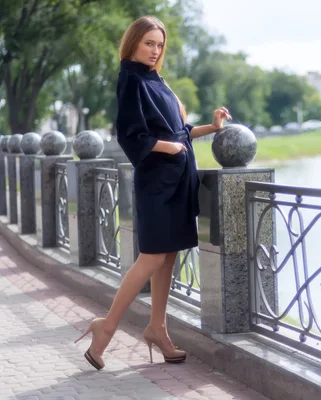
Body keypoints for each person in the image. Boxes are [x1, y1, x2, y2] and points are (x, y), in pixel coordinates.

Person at [74, 15, 231, 370]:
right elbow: (131, 136)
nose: (155, 50)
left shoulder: (155, 78)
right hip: (156, 182)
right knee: (151, 257)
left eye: (159, 45)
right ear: (133, 43)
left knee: (169, 255)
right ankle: (106, 327)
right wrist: (169, 148)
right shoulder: (130, 78)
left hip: (176, 180)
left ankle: (158, 328)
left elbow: (179, 131)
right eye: (148, 43)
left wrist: (212, 127)